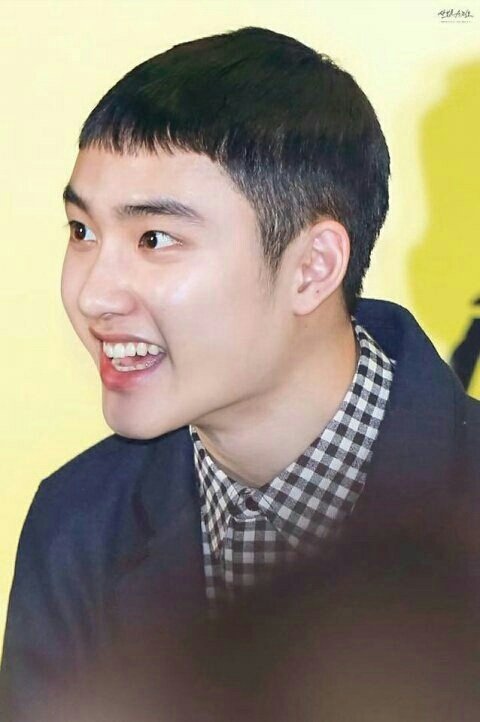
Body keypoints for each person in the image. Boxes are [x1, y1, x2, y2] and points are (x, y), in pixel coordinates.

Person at [1, 25, 479, 721]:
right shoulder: (78, 523)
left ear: (312, 268)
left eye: (154, 239)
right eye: (83, 232)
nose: (94, 294)